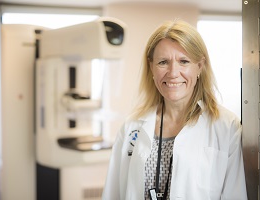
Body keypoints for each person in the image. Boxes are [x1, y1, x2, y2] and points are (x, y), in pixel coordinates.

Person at [102, 19, 247, 200]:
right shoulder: (131, 127)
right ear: (151, 67)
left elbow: (235, 194)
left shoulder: (227, 127)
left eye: (184, 61)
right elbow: (113, 194)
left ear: (199, 66)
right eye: (163, 62)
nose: (173, 72)